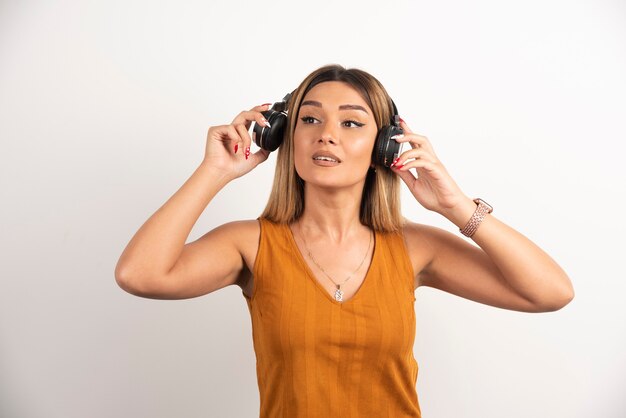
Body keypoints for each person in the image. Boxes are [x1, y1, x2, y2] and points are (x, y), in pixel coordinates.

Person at [114, 64, 575, 418]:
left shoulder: (415, 248)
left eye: (352, 123)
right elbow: (139, 274)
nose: (326, 134)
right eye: (309, 119)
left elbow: (551, 292)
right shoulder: (250, 244)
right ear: (287, 137)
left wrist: (455, 206)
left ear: (385, 147)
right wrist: (214, 172)